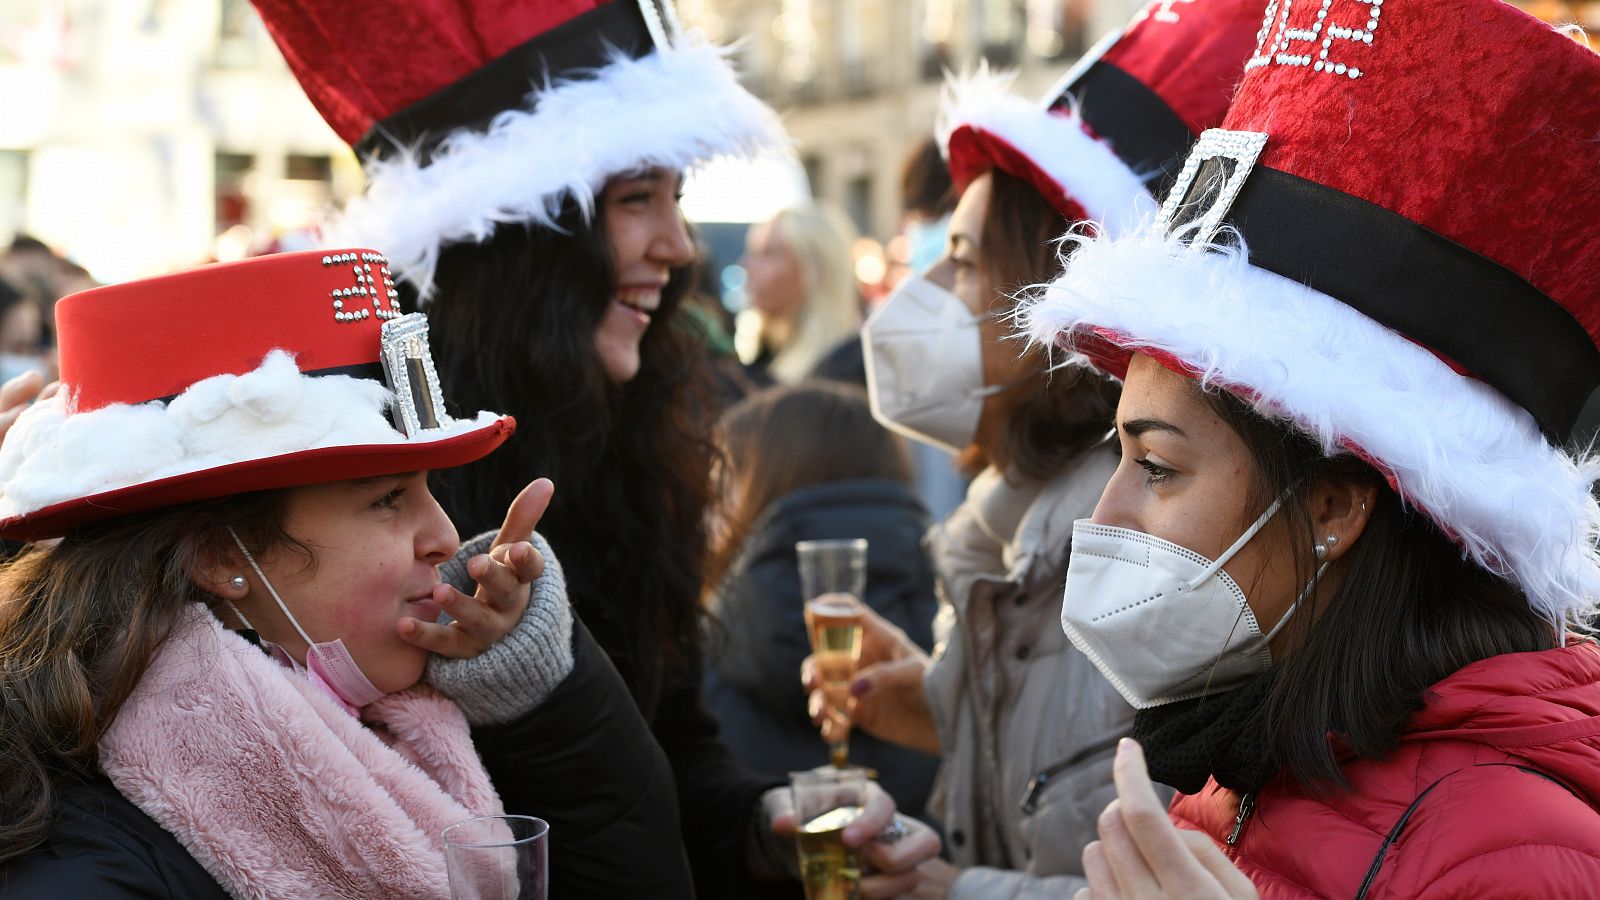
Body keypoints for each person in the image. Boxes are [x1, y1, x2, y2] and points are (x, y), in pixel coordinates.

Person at [250, 2, 942, 894]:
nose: (678, 244)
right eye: (633, 201)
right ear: (522, 239)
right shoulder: (375, 468)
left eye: (676, 199)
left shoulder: (638, 448)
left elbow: (673, 753)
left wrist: (764, 824)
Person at [1022, 0, 1600, 896]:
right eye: (1120, 455)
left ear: (1333, 506)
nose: (1103, 516)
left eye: (1160, 467)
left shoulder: (1505, 847)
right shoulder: (1248, 768)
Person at [0, 250, 693, 896]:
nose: (446, 535)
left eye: (428, 488)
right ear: (220, 556)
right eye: (387, 499)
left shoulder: (424, 717)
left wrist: (528, 688)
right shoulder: (84, 859)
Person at [806, 2, 1266, 896]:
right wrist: (943, 699)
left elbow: (1142, 868)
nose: (923, 293)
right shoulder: (1014, 530)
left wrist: (951, 891)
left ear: (1053, 304)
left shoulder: (1125, 553)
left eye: (967, 262)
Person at [703, 381, 941, 819]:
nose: (708, 513)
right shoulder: (960, 623)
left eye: (720, 485)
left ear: (753, 488)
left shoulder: (700, 646)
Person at [738, 203, 864, 386]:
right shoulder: (762, 355)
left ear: (815, 269)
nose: (747, 265)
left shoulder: (851, 367)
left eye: (768, 254)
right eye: (752, 253)